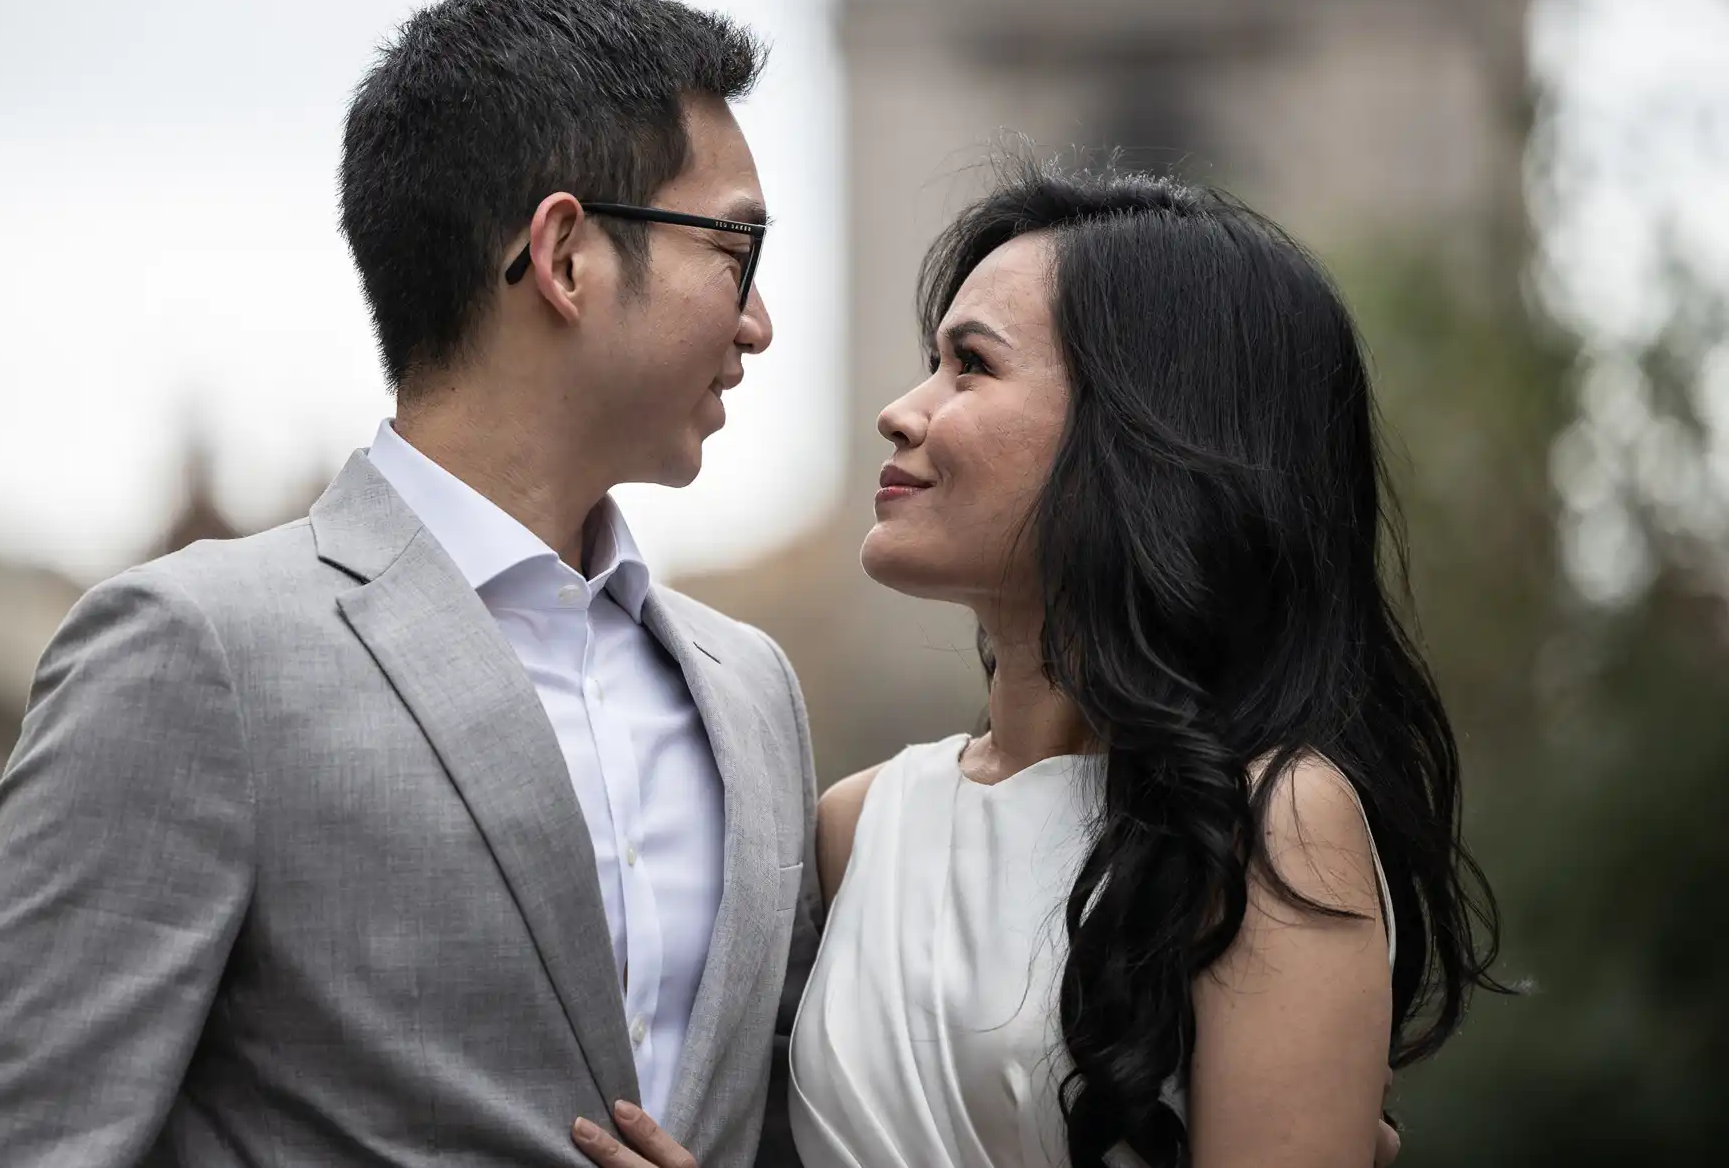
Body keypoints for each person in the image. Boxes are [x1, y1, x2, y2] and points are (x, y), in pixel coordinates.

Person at [0, 0, 822, 1168]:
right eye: (735, 247)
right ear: (566, 254)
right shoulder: (196, 652)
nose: (758, 321)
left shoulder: (754, 695)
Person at [572, 162, 1494, 1168]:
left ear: (1145, 430)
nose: (901, 410)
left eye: (969, 365)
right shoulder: (853, 825)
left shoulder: (1273, 824)